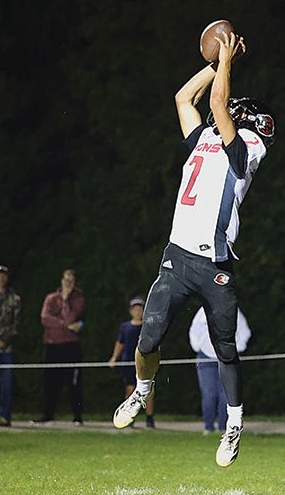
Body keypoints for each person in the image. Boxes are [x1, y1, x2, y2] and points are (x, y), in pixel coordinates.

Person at [113, 31, 275, 468]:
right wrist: (214, 62)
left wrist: (227, 61)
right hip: (178, 255)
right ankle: (143, 391)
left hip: (215, 262)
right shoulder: (207, 138)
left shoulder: (245, 151)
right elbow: (185, 99)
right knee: (149, 335)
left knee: (225, 347)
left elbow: (219, 104)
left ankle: (234, 424)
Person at [189, 306, 251, 433]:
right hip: (205, 357)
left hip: (227, 358)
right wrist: (198, 347)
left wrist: (238, 348)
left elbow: (245, 332)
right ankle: (209, 427)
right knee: (209, 395)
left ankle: (224, 427)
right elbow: (193, 332)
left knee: (227, 395)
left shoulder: (233, 310)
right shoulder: (202, 311)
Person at [36, 268, 86, 425]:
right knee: (49, 381)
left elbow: (72, 316)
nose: (68, 283)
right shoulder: (51, 298)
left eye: (71, 281)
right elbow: (44, 318)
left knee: (74, 382)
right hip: (52, 345)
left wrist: (66, 299)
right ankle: (47, 416)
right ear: (61, 280)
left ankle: (77, 417)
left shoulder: (79, 298)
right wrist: (65, 325)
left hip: (71, 346)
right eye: (66, 280)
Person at [108, 297, 155, 428]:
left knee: (148, 390)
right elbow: (120, 343)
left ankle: (149, 419)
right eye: (135, 309)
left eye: (140, 309)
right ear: (131, 311)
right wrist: (114, 357)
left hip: (145, 362)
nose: (138, 312)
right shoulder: (125, 327)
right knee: (130, 389)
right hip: (128, 362)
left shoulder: (148, 326)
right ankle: (128, 417)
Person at [0, 265, 21, 427]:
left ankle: (5, 416)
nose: (1, 278)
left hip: (6, 349)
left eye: (3, 275)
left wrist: (3, 341)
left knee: (6, 383)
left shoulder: (15, 298)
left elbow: (16, 325)